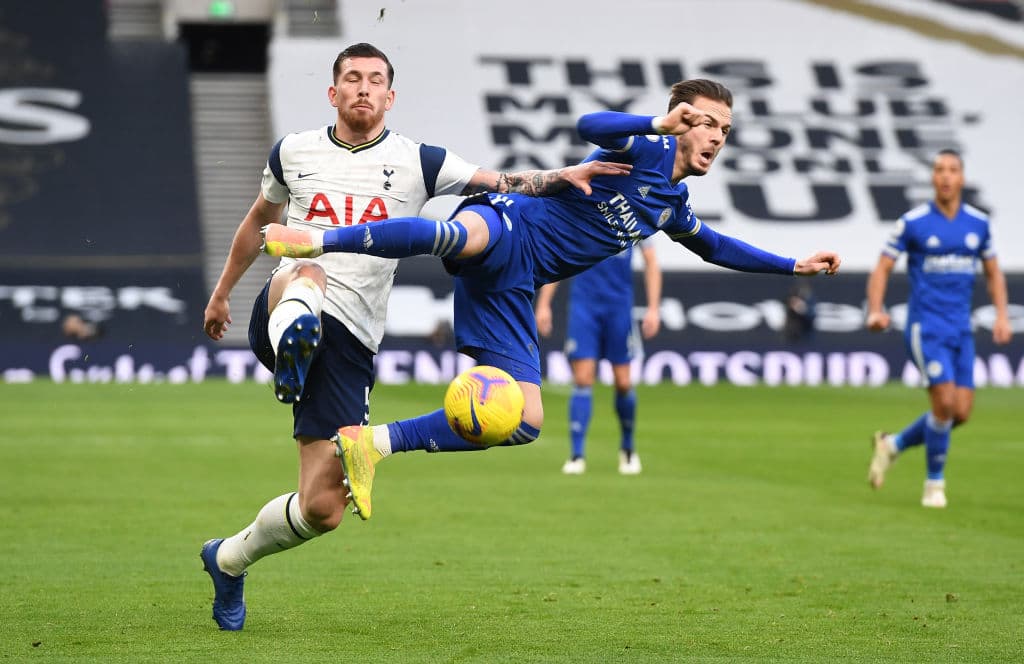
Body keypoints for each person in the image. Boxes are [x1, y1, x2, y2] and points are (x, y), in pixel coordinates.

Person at [263, 77, 841, 519]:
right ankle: (314, 240)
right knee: (459, 235)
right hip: (512, 222)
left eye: (725, 128)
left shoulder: (671, 204)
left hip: (516, 284)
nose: (716, 135)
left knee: (525, 421)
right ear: (682, 122)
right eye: (707, 121)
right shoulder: (644, 150)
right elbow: (592, 122)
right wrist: (657, 122)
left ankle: (372, 444)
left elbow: (716, 246)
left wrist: (793, 265)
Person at [198, 42, 629, 631]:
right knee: (307, 273)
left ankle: (228, 559)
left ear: (390, 96)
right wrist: (223, 292)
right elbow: (259, 224)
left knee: (323, 509)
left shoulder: (418, 161)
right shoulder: (293, 150)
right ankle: (292, 345)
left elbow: (504, 180)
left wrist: (564, 176)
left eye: (376, 80)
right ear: (333, 92)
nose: (364, 88)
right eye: (352, 78)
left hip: (352, 340)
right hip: (287, 298)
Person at [865, 149, 1012, 508]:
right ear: (932, 178)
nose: (945, 176)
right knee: (944, 403)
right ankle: (934, 486)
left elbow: (993, 272)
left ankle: (893, 445)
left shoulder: (978, 224)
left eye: (952, 170)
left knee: (960, 412)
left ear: (962, 178)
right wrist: (875, 309)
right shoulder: (913, 222)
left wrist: (1002, 315)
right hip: (925, 327)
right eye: (939, 170)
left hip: (961, 329)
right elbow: (883, 267)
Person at [533, 240, 661, 475]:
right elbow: (558, 258)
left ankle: (628, 447)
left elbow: (651, 261)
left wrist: (654, 308)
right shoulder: (580, 213)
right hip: (584, 307)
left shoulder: (631, 214)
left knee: (623, 382)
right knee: (582, 379)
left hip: (619, 308)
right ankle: (577, 454)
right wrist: (544, 305)